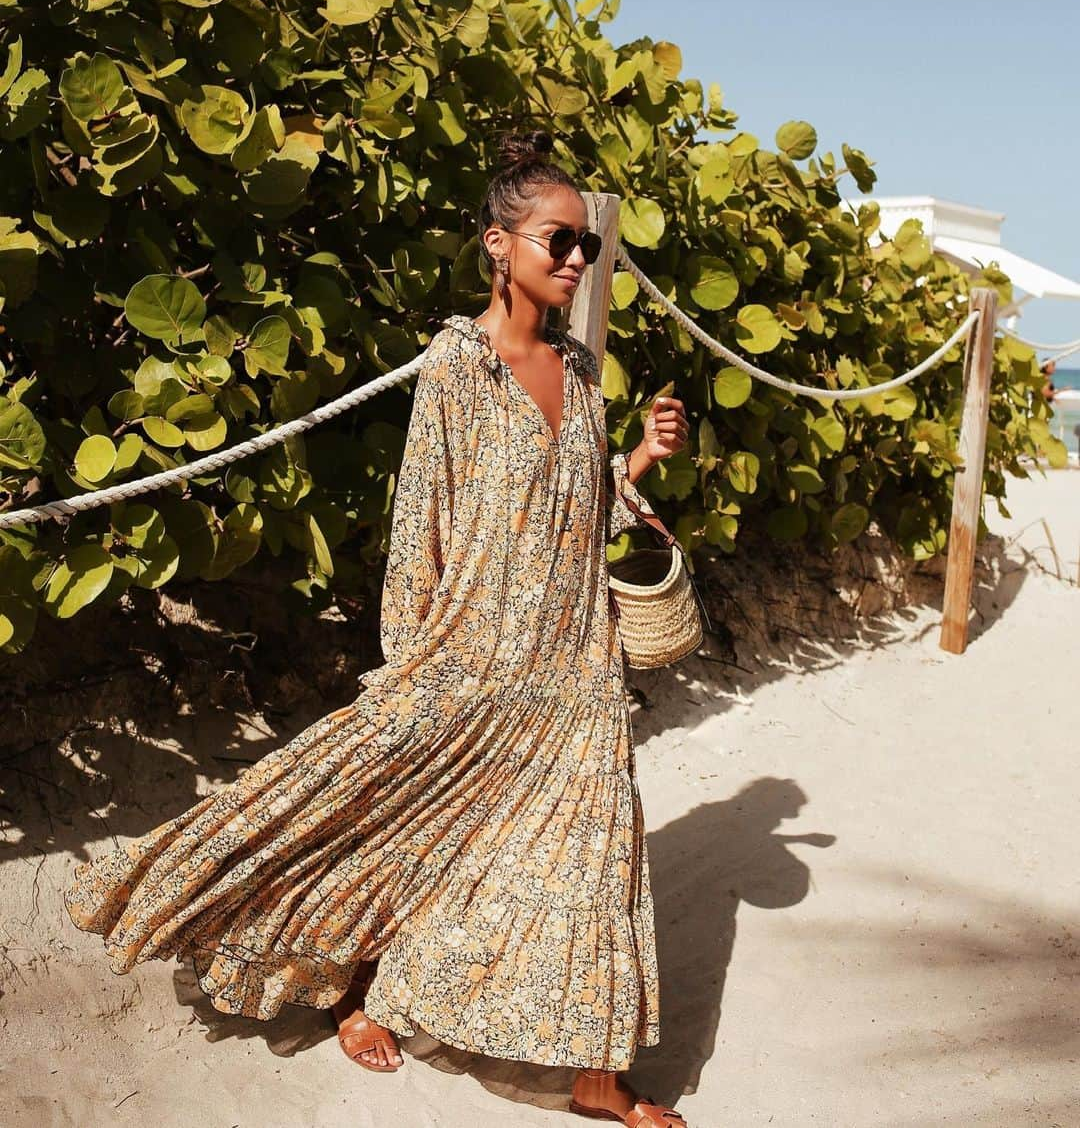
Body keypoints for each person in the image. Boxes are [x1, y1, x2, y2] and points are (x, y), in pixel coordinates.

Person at [63, 129, 691, 1127]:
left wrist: (643, 465)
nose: (576, 260)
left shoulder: (580, 374)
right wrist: (415, 666)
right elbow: (424, 519)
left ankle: (596, 1079)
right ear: (499, 244)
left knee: (596, 847)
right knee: (404, 828)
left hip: (573, 659)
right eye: (557, 242)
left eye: (585, 246)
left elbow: (571, 506)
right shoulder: (456, 364)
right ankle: (357, 992)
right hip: (472, 654)